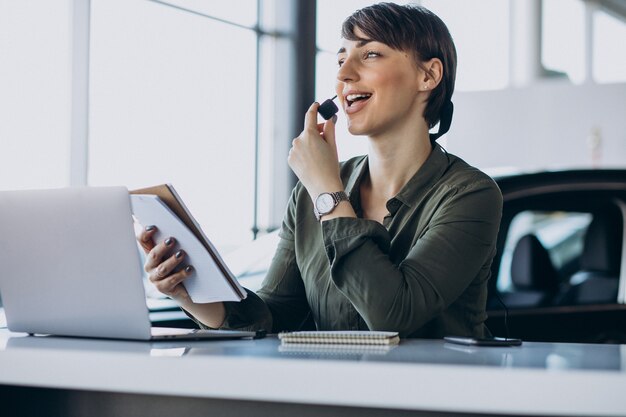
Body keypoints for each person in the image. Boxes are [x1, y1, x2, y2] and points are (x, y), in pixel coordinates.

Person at [137, 2, 502, 338]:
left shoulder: (470, 194)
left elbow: (393, 315)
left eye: (370, 54)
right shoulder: (311, 192)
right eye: (340, 59)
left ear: (428, 75)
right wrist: (190, 292)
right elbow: (275, 314)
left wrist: (328, 192)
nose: (344, 73)